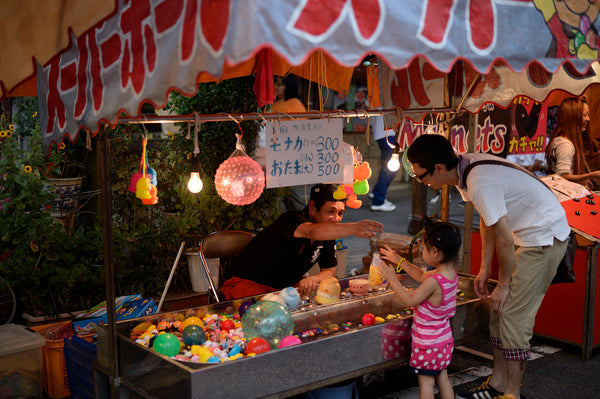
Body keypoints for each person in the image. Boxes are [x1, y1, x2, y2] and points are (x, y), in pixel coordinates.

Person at [406, 134, 569, 399]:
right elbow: (487, 219)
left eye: (420, 176)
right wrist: (484, 269)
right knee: (498, 309)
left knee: (514, 315)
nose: (421, 182)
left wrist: (503, 285)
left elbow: (503, 237)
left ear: (437, 168)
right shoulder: (464, 170)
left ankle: (512, 394)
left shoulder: (478, 180)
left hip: (542, 237)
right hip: (526, 234)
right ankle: (498, 384)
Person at [221, 183, 384, 300]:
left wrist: (313, 279)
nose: (336, 219)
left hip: (284, 289)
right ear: (313, 207)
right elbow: (313, 231)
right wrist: (355, 228)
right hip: (247, 284)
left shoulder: (328, 233)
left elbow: (329, 270)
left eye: (340, 213)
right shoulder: (291, 220)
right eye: (331, 211)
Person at [378, 217, 461, 399]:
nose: (422, 251)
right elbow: (420, 275)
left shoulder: (433, 281)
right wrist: (398, 260)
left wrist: (392, 279)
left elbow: (410, 300)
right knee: (443, 379)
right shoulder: (449, 275)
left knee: (426, 385)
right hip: (444, 340)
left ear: (435, 252)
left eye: (423, 248)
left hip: (427, 344)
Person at [545, 97, 600, 188]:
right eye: (585, 115)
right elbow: (562, 177)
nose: (588, 119)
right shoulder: (565, 145)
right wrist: (592, 175)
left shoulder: (559, 140)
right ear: (573, 117)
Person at [369, 115, 398, 211]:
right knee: (389, 168)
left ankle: (377, 193)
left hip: (383, 132)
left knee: (390, 166)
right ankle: (378, 200)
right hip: (387, 132)